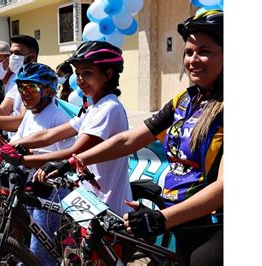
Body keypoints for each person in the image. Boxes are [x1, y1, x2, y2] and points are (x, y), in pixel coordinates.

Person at [37, 10, 224, 266]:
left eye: (205, 51)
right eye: (188, 52)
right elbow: (129, 141)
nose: (193, 60)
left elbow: (225, 188)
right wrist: (72, 162)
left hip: (215, 228)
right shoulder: (186, 99)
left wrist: (161, 219)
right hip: (182, 222)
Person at [0, 41, 132, 217]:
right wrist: (13, 145)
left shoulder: (109, 108)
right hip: (89, 199)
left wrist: (22, 159)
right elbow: (50, 135)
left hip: (107, 204)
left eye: (87, 73)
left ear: (108, 73)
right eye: (78, 74)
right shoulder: (92, 108)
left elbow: (74, 152)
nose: (80, 80)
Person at [0, 62, 75, 265]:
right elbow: (18, 141)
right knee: (29, 239)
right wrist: (3, 152)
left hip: (49, 190)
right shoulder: (30, 114)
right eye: (21, 88)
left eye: (31, 87)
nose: (24, 93)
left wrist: (28, 156)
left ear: (48, 90)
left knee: (40, 251)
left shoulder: (58, 118)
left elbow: (65, 158)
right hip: (27, 186)